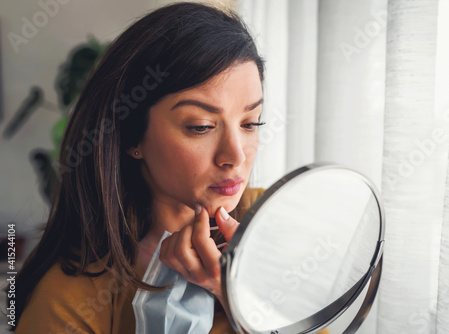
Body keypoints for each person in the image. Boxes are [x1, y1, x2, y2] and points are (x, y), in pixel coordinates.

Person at [13, 2, 266, 333]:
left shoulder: (272, 221)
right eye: (201, 126)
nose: (235, 155)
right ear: (133, 137)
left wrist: (241, 299)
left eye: (250, 122)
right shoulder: (70, 298)